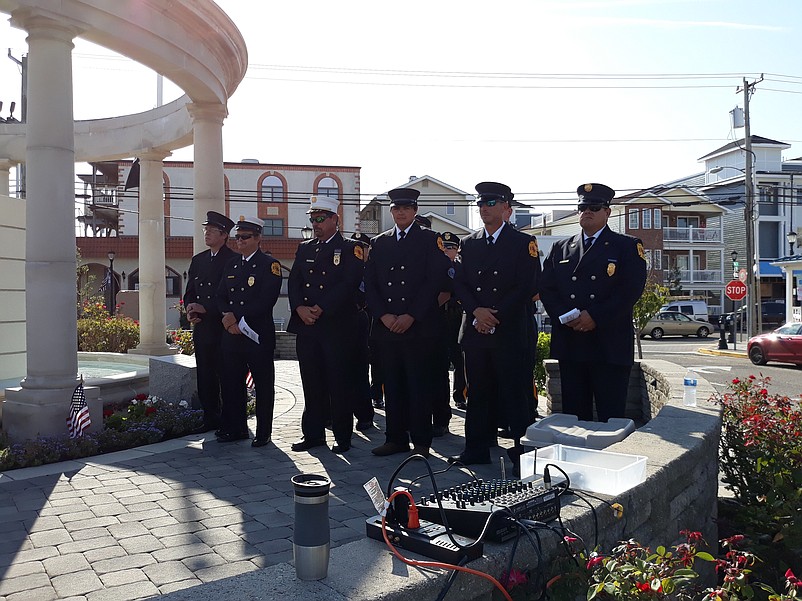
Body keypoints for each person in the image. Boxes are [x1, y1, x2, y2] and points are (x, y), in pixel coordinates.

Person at [450, 182, 541, 472]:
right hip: (476, 328)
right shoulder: (469, 242)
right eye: (481, 204)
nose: (484, 208)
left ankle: (522, 452)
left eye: (491, 203)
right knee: (477, 392)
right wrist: (477, 311)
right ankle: (475, 448)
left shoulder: (522, 242)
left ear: (506, 209)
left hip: (509, 328)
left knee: (515, 393)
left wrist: (494, 315)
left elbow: (526, 285)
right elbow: (460, 283)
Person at [539, 183, 647, 422]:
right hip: (572, 342)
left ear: (607, 212)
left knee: (611, 418)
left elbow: (630, 291)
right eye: (582, 207)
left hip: (608, 344)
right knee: (575, 418)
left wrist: (595, 316)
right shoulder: (561, 248)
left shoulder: (627, 246)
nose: (587, 211)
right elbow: (547, 288)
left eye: (594, 207)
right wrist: (567, 316)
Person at [364, 187, 447, 457]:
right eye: (396, 208)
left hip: (418, 326)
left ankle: (421, 441)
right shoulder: (380, 242)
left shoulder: (429, 239)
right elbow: (371, 284)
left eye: (406, 208)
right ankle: (395, 438)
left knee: (418, 385)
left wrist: (411, 315)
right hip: (388, 327)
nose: (400, 212)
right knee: (394, 385)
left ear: (415, 211)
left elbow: (434, 282)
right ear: (391, 212)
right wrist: (384, 315)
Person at [287, 195, 365, 454]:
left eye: (320, 219)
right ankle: (313, 434)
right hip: (307, 325)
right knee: (311, 381)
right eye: (312, 219)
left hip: (336, 325)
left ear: (335, 219)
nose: (316, 224)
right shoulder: (306, 248)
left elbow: (349, 283)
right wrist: (299, 308)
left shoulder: (350, 248)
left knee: (338, 382)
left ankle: (343, 436)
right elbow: (294, 281)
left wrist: (321, 308)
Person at [216, 216, 283, 447]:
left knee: (263, 385)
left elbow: (266, 300)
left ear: (257, 238)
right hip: (232, 335)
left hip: (257, 336)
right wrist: (227, 318)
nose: (240, 241)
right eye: (237, 237)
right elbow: (221, 295)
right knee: (232, 383)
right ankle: (236, 428)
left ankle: (263, 432)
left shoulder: (269, 265)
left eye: (245, 237)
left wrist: (237, 316)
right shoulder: (232, 264)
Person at [183, 210, 237, 433]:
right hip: (203, 327)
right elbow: (190, 292)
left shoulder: (233, 260)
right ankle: (209, 416)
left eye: (212, 231)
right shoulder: (199, 260)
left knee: (226, 373)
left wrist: (207, 308)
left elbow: (232, 295)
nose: (207, 234)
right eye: (205, 230)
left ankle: (229, 418)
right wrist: (191, 309)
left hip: (223, 327)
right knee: (205, 374)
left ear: (224, 235)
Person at [350, 231, 375, 431]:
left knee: (359, 370)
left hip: (365, 320)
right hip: (344, 321)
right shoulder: (347, 267)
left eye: (363, 247)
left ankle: (364, 414)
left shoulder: (371, 269)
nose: (360, 251)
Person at [440, 232, 468, 411]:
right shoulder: (436, 265)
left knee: (459, 359)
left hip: (457, 315)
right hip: (440, 317)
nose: (447, 250)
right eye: (444, 247)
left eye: (451, 247)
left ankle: (460, 395)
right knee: (441, 360)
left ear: (457, 250)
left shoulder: (461, 267)